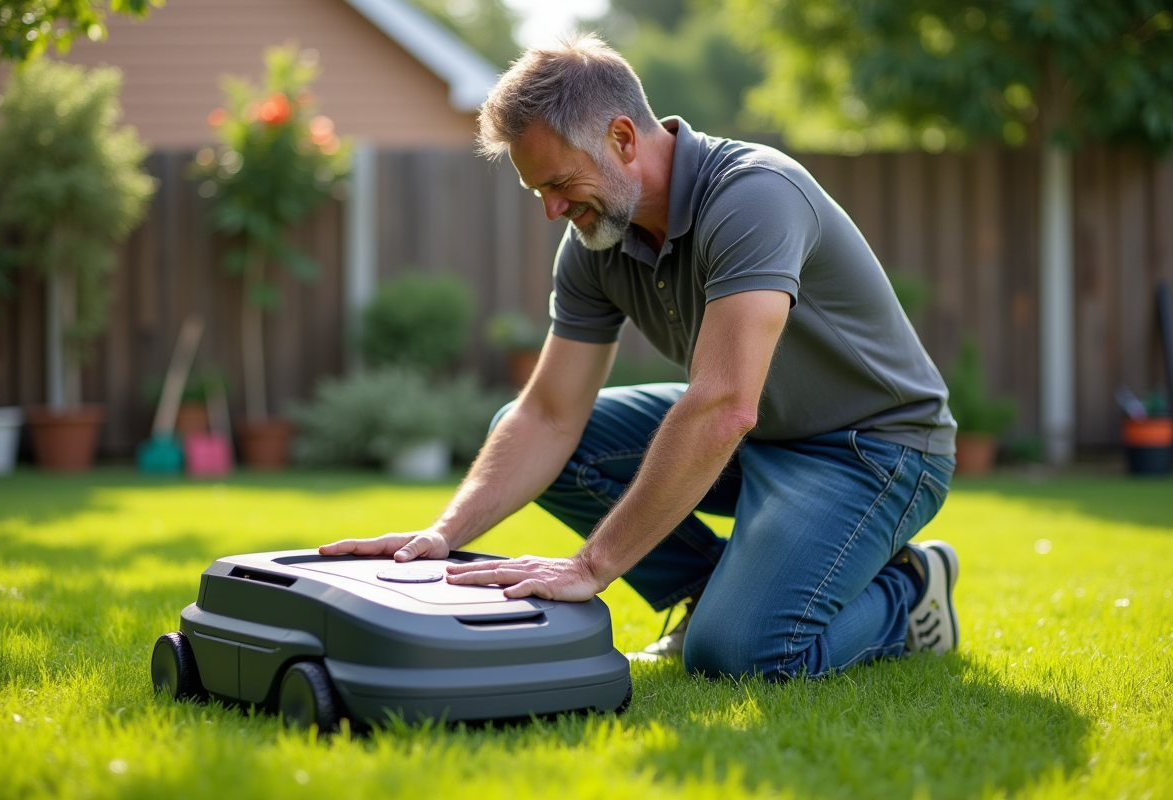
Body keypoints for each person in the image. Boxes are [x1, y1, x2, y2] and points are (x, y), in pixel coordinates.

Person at [320, 34, 960, 681]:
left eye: (561, 182)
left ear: (623, 138)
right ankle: (715, 594)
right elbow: (547, 414)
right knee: (525, 428)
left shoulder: (754, 196)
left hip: (871, 449)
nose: (552, 210)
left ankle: (908, 589)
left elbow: (722, 405)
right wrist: (444, 532)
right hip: (763, 436)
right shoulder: (595, 244)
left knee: (742, 656)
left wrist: (591, 566)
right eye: (537, 190)